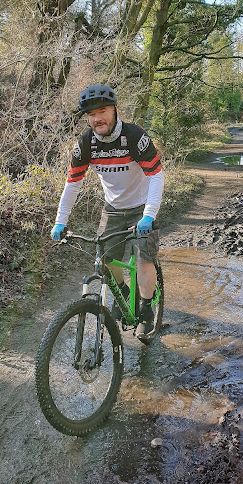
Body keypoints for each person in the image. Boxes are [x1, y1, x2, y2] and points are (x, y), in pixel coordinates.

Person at [51, 84, 164, 339]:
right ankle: (125, 294)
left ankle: (146, 311)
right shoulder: (86, 143)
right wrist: (60, 222)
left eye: (102, 111)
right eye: (91, 114)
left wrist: (149, 214)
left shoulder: (134, 136)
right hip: (113, 208)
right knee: (106, 261)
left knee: (144, 258)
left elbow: (156, 176)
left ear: (114, 110)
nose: (96, 118)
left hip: (143, 206)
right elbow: (72, 183)